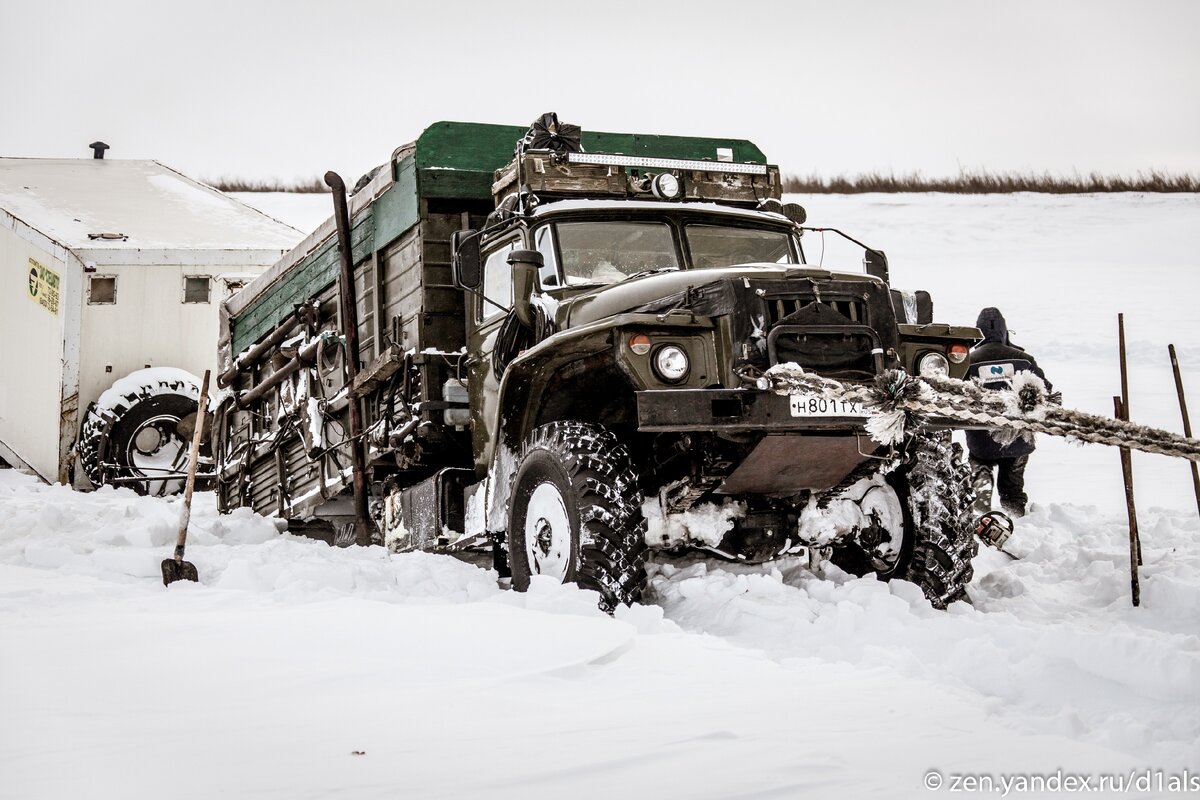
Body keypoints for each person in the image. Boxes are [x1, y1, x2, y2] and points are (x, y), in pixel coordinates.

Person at [965, 307, 1052, 518]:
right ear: (1004, 331)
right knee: (1013, 481)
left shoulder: (970, 361)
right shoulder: (1024, 359)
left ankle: (982, 480)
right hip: (1018, 437)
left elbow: (957, 393)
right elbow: (1045, 390)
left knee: (979, 459)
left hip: (982, 437)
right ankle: (1014, 513)